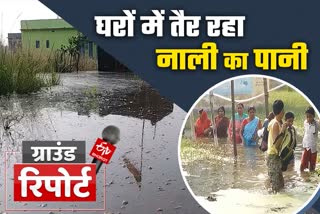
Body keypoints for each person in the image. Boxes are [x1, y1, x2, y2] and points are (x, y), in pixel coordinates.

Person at [267, 100, 285, 193]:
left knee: (281, 185)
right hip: (273, 157)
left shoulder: (276, 122)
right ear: (282, 111)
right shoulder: (275, 124)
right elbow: (276, 144)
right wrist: (283, 131)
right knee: (275, 187)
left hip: (275, 157)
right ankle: (274, 206)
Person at [300, 107, 319, 172]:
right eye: (307, 117)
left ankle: (311, 179)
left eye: (310, 116)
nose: (308, 118)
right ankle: (303, 177)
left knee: (312, 167)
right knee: (302, 165)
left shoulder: (317, 124)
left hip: (313, 148)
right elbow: (306, 134)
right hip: (306, 146)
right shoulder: (305, 122)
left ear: (313, 116)